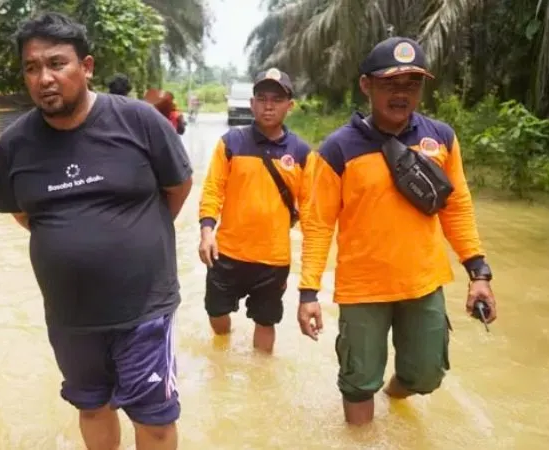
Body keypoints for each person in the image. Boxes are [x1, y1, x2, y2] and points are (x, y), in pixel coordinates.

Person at [0, 12, 193, 449]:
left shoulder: (139, 121)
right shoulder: (14, 145)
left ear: (86, 66)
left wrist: (133, 235)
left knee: (155, 420)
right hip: (69, 316)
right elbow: (24, 215)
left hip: (144, 309)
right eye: (32, 68)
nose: (44, 78)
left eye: (56, 63)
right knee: (91, 407)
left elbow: (178, 188)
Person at [297, 37, 497, 425]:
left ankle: (392, 396)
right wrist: (309, 293)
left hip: (423, 284)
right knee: (358, 383)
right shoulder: (337, 149)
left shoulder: (441, 138)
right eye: (390, 83)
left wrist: (479, 273)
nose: (401, 93)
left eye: (412, 83)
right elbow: (318, 224)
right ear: (366, 85)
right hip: (363, 289)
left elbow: (457, 207)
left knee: (427, 375)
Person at [198, 68, 310, 353]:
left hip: (273, 260)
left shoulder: (302, 152)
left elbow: (311, 212)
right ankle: (221, 359)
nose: (268, 106)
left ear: (290, 106)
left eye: (277, 99)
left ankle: (261, 371)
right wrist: (207, 231)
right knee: (216, 313)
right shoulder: (231, 143)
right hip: (227, 253)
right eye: (262, 98)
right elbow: (212, 190)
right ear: (251, 104)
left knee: (266, 322)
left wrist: (310, 278)